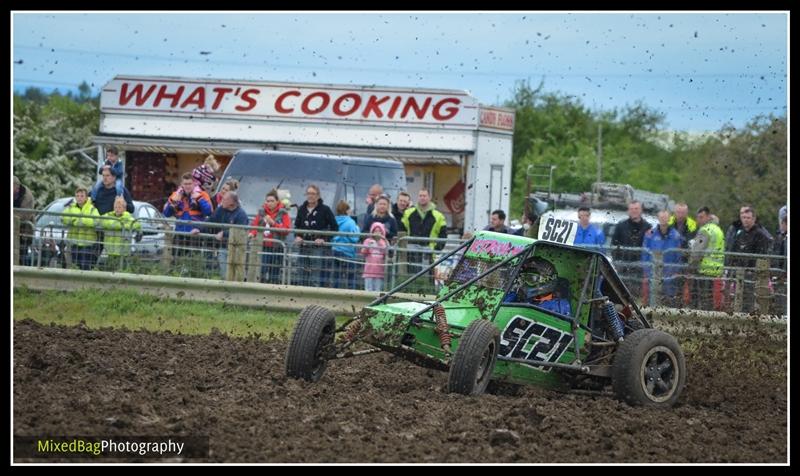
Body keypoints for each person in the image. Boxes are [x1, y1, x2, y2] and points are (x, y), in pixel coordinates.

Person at [726, 205, 773, 313]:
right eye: (743, 217)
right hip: (739, 272)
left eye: (748, 218)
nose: (745, 220)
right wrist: (731, 266)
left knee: (750, 299)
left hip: (752, 273)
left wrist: (753, 269)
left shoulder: (760, 235)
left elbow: (762, 255)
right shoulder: (739, 233)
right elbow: (734, 251)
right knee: (737, 297)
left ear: (754, 219)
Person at [193, 191, 248, 279]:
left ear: (232, 202)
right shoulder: (221, 210)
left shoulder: (241, 215)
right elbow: (211, 220)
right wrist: (199, 228)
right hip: (224, 247)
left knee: (237, 273)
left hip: (237, 248)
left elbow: (241, 231)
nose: (221, 201)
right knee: (225, 273)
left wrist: (224, 233)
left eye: (224, 199)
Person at [293, 184, 338, 287]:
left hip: (318, 247)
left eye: (313, 193)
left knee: (315, 275)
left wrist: (324, 238)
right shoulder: (301, 209)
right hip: (303, 246)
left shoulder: (325, 209)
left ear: (318, 195)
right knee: (301, 274)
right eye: (308, 193)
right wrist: (298, 236)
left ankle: (314, 296)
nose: (310, 196)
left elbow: (334, 227)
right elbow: (297, 226)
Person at [164, 172, 214, 256]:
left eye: (190, 183)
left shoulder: (202, 194)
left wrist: (199, 199)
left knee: (193, 261)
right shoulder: (175, 195)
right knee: (176, 261)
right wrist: (173, 203)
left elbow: (208, 212)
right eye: (185, 184)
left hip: (195, 234)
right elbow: (166, 214)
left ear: (194, 184)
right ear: (181, 184)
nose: (187, 186)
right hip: (179, 233)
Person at [504, 257, 572, 316]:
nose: (523, 283)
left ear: (547, 281)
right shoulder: (517, 296)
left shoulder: (559, 306)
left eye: (530, 279)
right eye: (522, 278)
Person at [249, 189, 291, 284]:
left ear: (277, 202)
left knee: (275, 271)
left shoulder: (283, 214)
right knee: (262, 269)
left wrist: (273, 223)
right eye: (268, 201)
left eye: (272, 201)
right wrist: (252, 233)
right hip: (263, 246)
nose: (270, 203)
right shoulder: (261, 213)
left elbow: (286, 230)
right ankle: (261, 287)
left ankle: (274, 289)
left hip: (277, 246)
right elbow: (255, 226)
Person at [641, 210, 683, 305]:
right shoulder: (650, 234)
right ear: (658, 218)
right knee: (652, 300)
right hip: (653, 273)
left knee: (669, 301)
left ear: (669, 218)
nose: (663, 219)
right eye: (661, 217)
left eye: (665, 217)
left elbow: (678, 256)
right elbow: (644, 254)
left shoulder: (675, 235)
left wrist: (675, 271)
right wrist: (646, 271)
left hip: (670, 275)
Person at [689, 207, 725, 311]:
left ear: (708, 216)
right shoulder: (718, 229)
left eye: (701, 217)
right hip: (716, 268)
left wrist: (691, 265)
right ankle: (708, 317)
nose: (699, 220)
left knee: (700, 297)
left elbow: (697, 252)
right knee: (709, 298)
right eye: (698, 217)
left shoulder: (705, 230)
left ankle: (699, 319)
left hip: (704, 268)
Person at [611, 201, 652, 291]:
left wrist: (646, 265)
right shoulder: (620, 226)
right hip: (623, 266)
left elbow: (651, 248)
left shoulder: (648, 227)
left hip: (641, 266)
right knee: (622, 291)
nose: (634, 211)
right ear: (628, 211)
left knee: (638, 293)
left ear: (641, 210)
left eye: (636, 209)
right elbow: (613, 245)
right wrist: (617, 262)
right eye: (632, 209)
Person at [101, 196, 142, 271]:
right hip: (110, 251)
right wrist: (121, 225)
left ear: (124, 208)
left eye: (119, 207)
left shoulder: (129, 218)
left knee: (121, 271)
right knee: (109, 271)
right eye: (115, 207)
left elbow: (137, 225)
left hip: (122, 252)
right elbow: (101, 222)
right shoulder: (108, 216)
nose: (117, 209)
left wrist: (118, 225)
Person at [64, 187, 99, 271]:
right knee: (75, 265)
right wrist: (74, 220)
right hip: (74, 242)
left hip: (87, 243)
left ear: (86, 197)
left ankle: (85, 283)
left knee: (85, 265)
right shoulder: (70, 207)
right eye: (77, 196)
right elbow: (64, 218)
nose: (79, 198)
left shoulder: (92, 208)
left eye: (82, 196)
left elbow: (96, 221)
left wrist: (81, 221)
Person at [331, 200, 360, 290]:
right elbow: (354, 238)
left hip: (335, 250)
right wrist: (357, 228)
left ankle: (335, 292)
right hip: (347, 252)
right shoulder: (350, 222)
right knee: (351, 275)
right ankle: (351, 293)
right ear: (346, 210)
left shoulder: (334, 220)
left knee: (336, 275)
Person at [13, 175, 36, 265]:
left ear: (16, 187)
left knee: (21, 255)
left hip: (24, 231)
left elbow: (25, 214)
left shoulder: (27, 195)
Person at [361, 221, 389, 292]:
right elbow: (363, 252)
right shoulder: (367, 241)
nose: (377, 233)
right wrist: (368, 246)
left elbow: (386, 253)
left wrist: (380, 243)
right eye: (375, 231)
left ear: (382, 232)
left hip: (379, 271)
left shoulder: (384, 242)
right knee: (368, 289)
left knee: (377, 290)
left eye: (379, 231)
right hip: (368, 271)